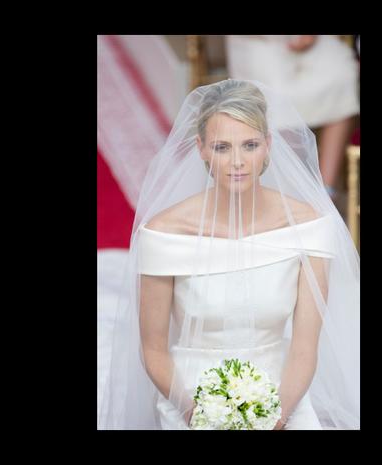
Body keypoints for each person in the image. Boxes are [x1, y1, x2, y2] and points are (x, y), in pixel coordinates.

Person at [98, 79, 360, 429]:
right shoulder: (165, 232)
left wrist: (275, 418)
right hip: (189, 396)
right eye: (222, 147)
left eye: (250, 145)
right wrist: (200, 414)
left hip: (283, 394)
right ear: (201, 149)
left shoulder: (308, 226)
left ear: (268, 145)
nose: (237, 162)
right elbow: (154, 350)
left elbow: (303, 349)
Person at [226, 35, 359, 199]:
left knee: (342, 75)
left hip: (314, 41)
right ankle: (291, 193)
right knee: (278, 95)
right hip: (258, 41)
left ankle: (325, 193)